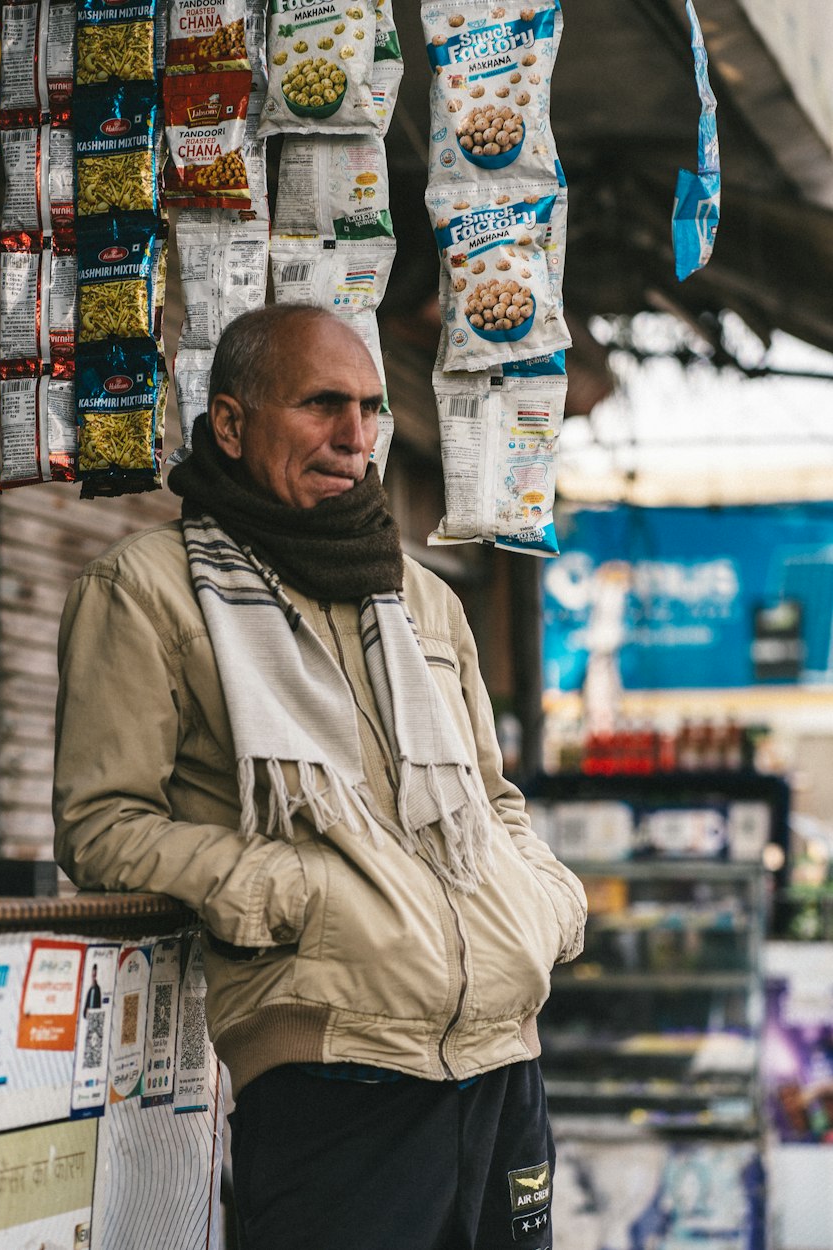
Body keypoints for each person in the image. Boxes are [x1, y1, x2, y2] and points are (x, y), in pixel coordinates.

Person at [53, 303, 586, 1250]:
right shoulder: (147, 590)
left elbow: (492, 799)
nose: (355, 436)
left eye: (372, 409)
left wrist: (539, 901)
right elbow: (101, 827)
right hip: (336, 1077)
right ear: (230, 422)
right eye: (321, 404)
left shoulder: (421, 597)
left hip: (505, 1062)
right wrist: (290, 891)